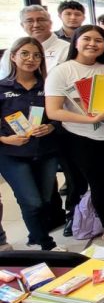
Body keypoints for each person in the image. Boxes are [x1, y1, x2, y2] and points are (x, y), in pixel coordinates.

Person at [45, 25, 104, 247]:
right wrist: (90, 120)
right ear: (75, 42)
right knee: (98, 184)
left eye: (98, 40)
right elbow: (54, 111)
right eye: (86, 39)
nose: (92, 44)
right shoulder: (62, 71)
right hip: (81, 137)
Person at [0, 38, 64, 251]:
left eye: (37, 55)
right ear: (13, 56)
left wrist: (51, 126)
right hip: (12, 153)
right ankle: (47, 245)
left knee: (45, 200)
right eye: (25, 54)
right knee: (31, 201)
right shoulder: (2, 88)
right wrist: (4, 138)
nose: (31, 59)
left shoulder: (48, 86)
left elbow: (60, 114)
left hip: (45, 151)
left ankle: (35, 234)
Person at [0, 5, 70, 79]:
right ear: (22, 25)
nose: (36, 25)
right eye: (29, 21)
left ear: (50, 23)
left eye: (41, 20)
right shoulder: (10, 53)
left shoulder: (67, 50)